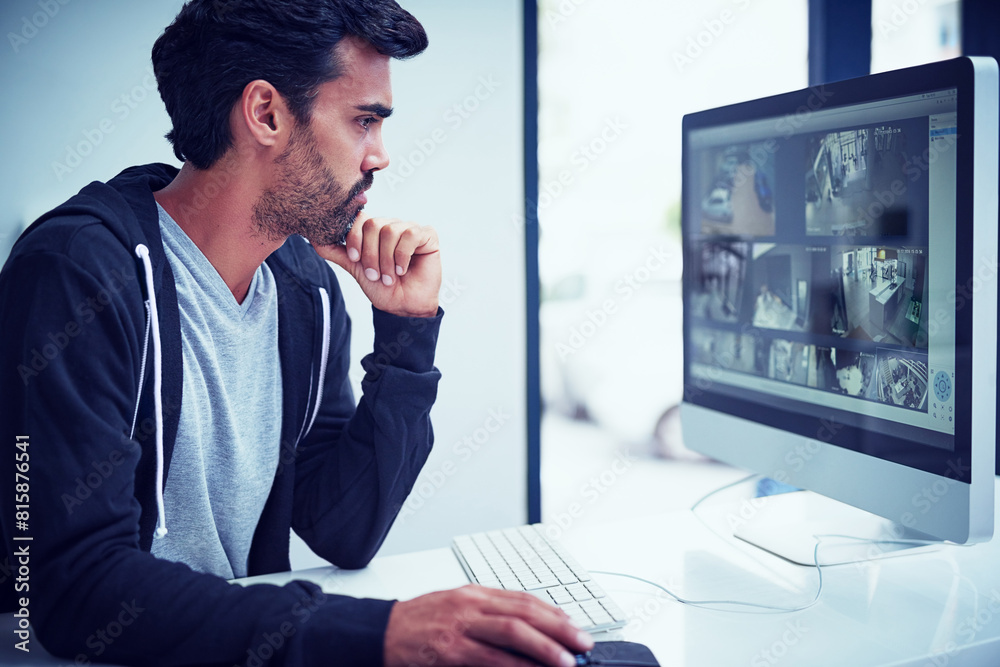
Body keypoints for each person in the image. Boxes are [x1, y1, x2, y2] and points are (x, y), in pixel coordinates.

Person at [0, 2, 594, 666]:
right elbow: (74, 586)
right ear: (266, 114)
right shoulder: (77, 271)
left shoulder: (302, 285)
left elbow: (344, 527)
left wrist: (407, 331)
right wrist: (380, 633)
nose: (381, 156)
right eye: (364, 120)